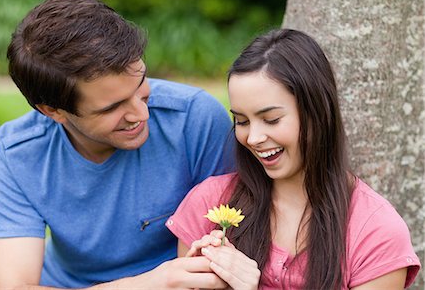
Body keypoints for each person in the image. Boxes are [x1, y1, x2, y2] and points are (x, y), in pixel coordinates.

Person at [0, 0, 234, 289]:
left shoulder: (196, 119)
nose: (141, 114)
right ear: (53, 111)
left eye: (141, 82)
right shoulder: (17, 153)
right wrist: (151, 283)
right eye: (111, 108)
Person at [166, 29, 421, 289]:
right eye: (241, 121)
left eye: (271, 120)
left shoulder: (376, 232)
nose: (253, 137)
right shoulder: (210, 205)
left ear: (317, 112)